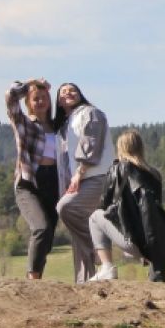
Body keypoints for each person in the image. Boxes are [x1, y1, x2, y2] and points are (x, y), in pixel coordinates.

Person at [88, 129, 165, 282]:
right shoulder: (154, 174)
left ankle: (107, 268)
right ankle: (155, 269)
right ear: (141, 148)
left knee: (95, 217)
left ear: (121, 148)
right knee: (160, 218)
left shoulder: (116, 169)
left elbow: (104, 204)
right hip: (162, 242)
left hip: (134, 243)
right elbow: (152, 214)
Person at [54, 82, 115, 283]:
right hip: (82, 179)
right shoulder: (66, 124)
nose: (68, 93)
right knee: (79, 231)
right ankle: (85, 282)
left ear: (80, 94)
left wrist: (79, 173)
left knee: (66, 208)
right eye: (63, 92)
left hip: (97, 177)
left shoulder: (90, 113)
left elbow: (91, 144)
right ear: (59, 101)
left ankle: (100, 252)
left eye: (72, 90)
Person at [5, 78, 59, 279]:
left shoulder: (58, 127)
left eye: (44, 97)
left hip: (54, 183)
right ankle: (32, 278)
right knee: (41, 228)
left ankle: (38, 281)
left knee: (48, 236)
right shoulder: (24, 123)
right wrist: (31, 83)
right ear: (28, 102)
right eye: (36, 98)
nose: (41, 101)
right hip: (30, 182)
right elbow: (10, 97)